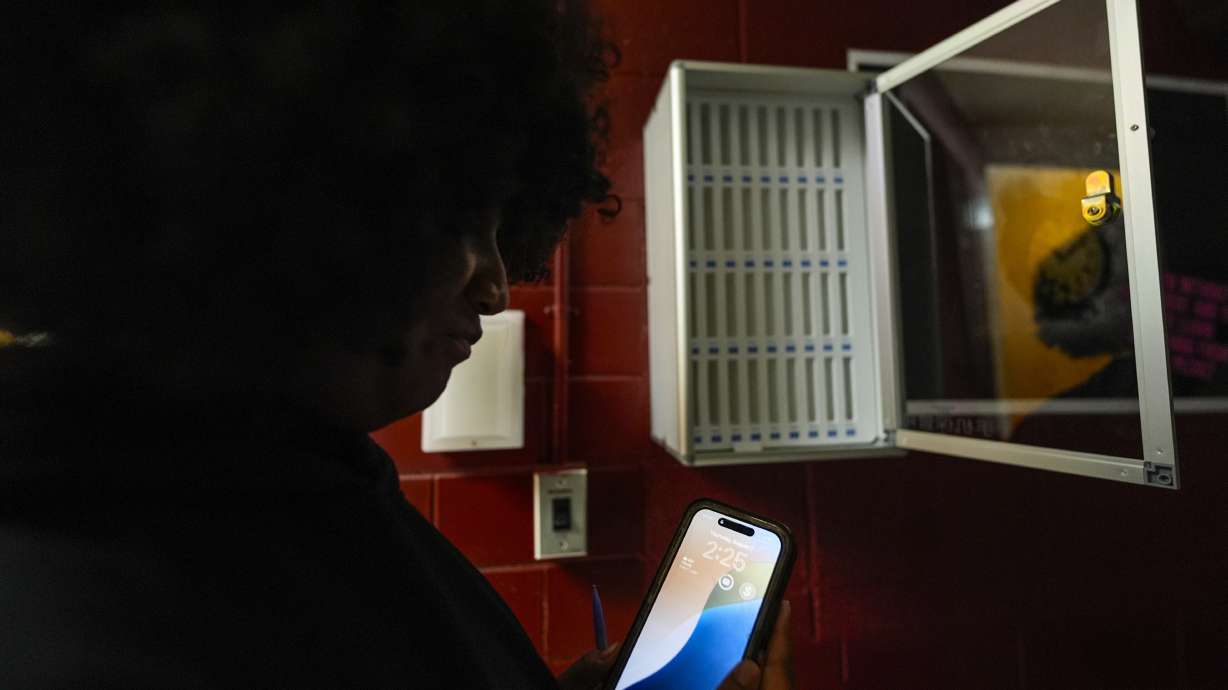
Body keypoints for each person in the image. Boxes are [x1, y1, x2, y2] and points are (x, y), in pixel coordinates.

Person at [0, 2, 793, 688]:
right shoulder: (92, 628)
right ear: (285, 205)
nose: (493, 286)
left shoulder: (272, 474)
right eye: (460, 220)